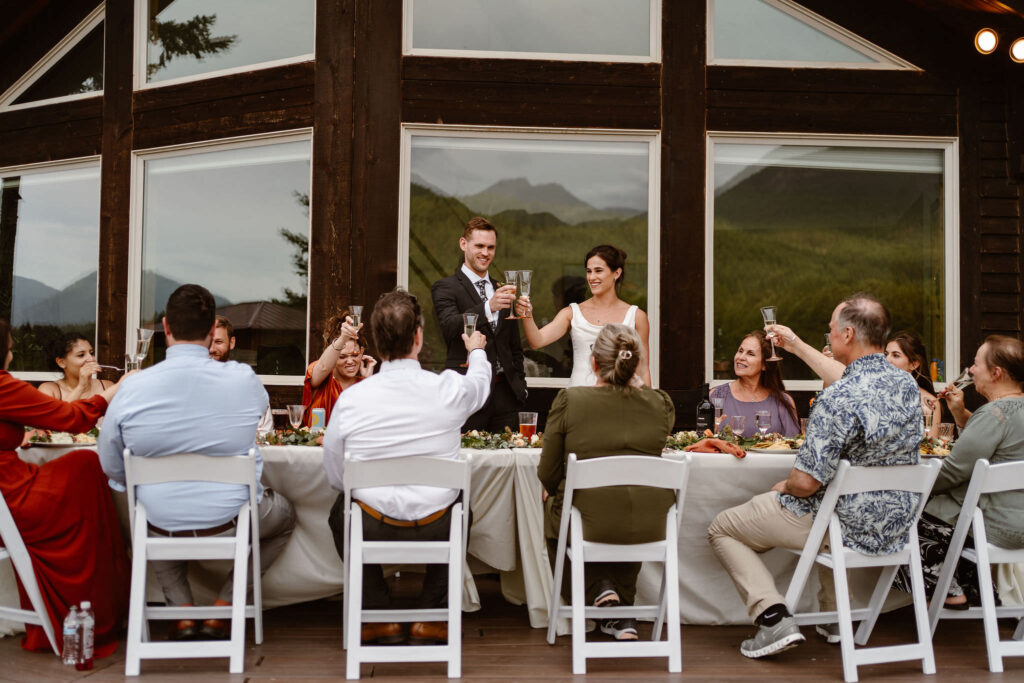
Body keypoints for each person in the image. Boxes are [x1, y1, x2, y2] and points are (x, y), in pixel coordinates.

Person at [707, 293, 922, 658]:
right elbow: (864, 382)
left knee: (723, 526)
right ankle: (833, 617)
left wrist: (787, 485)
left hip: (842, 524)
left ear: (849, 334)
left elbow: (806, 483)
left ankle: (772, 617)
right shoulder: (907, 387)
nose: (829, 335)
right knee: (825, 504)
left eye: (831, 330)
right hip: (897, 524)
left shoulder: (837, 398)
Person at [98, 284, 296, 641]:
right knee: (284, 516)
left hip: (160, 520)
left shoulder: (133, 387)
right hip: (231, 519)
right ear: (210, 333)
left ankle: (182, 613)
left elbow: (110, 462)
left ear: (165, 328)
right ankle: (226, 605)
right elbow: (255, 419)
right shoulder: (243, 380)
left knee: (150, 511)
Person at [323, 289, 490, 645]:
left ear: (378, 343)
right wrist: (476, 351)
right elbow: (480, 384)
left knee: (342, 511)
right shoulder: (448, 389)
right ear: (418, 338)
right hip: (437, 526)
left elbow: (337, 477)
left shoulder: (352, 399)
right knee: (463, 509)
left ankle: (377, 613)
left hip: (369, 525)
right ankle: (432, 615)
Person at [0, 319, 130, 657]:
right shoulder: (2, 387)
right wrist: (115, 390)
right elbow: (69, 419)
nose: (12, 356)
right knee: (87, 466)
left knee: (82, 465)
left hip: (8, 489)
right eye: (10, 349)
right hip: (12, 494)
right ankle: (98, 606)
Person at [537, 324, 675, 641]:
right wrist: (632, 375)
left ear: (594, 362)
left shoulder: (571, 400)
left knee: (557, 506)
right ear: (633, 364)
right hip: (650, 524)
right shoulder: (660, 404)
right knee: (626, 508)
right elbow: (657, 411)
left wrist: (556, 487)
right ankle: (620, 614)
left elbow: (547, 471)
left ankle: (596, 586)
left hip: (590, 521)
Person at [894, 335, 1024, 608]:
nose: (972, 370)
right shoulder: (1005, 413)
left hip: (994, 525)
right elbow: (996, 450)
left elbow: (953, 472)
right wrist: (960, 413)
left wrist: (908, 484)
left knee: (901, 517)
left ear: (996, 373)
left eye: (976, 364)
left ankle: (950, 589)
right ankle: (973, 587)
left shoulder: (993, 414)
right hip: (1018, 522)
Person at [431, 217, 527, 432]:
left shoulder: (502, 288)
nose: (486, 253)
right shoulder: (445, 287)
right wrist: (488, 307)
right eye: (479, 246)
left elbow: (514, 347)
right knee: (469, 460)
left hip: (507, 396)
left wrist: (520, 386)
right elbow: (449, 326)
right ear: (463, 244)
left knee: (508, 461)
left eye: (491, 247)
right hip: (468, 392)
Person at [516, 244, 652, 387]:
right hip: (579, 399)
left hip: (620, 402)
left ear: (616, 273)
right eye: (588, 271)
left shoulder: (636, 316)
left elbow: (643, 370)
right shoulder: (572, 313)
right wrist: (527, 314)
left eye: (598, 271)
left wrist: (648, 405)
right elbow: (537, 341)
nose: (592, 277)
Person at [712, 330, 799, 438]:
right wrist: (711, 434)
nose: (741, 357)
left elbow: (794, 447)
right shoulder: (716, 395)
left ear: (764, 365)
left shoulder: (783, 401)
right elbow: (700, 444)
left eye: (750, 354)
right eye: (740, 351)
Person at [301, 310, 376, 428]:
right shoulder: (322, 376)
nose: (350, 361)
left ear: (362, 352)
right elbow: (324, 366)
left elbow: (372, 423)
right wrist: (343, 338)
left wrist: (368, 383)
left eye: (355, 355)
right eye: (342, 356)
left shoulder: (365, 384)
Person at [209, 315, 274, 435]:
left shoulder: (249, 385)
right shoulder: (191, 384)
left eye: (218, 342)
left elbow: (265, 433)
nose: (212, 349)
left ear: (232, 343)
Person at [885, 331, 941, 439]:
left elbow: (929, 446)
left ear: (914, 364)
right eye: (886, 354)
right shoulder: (875, 393)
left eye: (895, 355)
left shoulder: (928, 401)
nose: (887, 360)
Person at [37, 333, 113, 402]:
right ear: (61, 362)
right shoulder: (49, 390)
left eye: (91, 353)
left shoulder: (107, 386)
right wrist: (81, 386)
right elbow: (57, 416)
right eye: (81, 355)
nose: (91, 359)